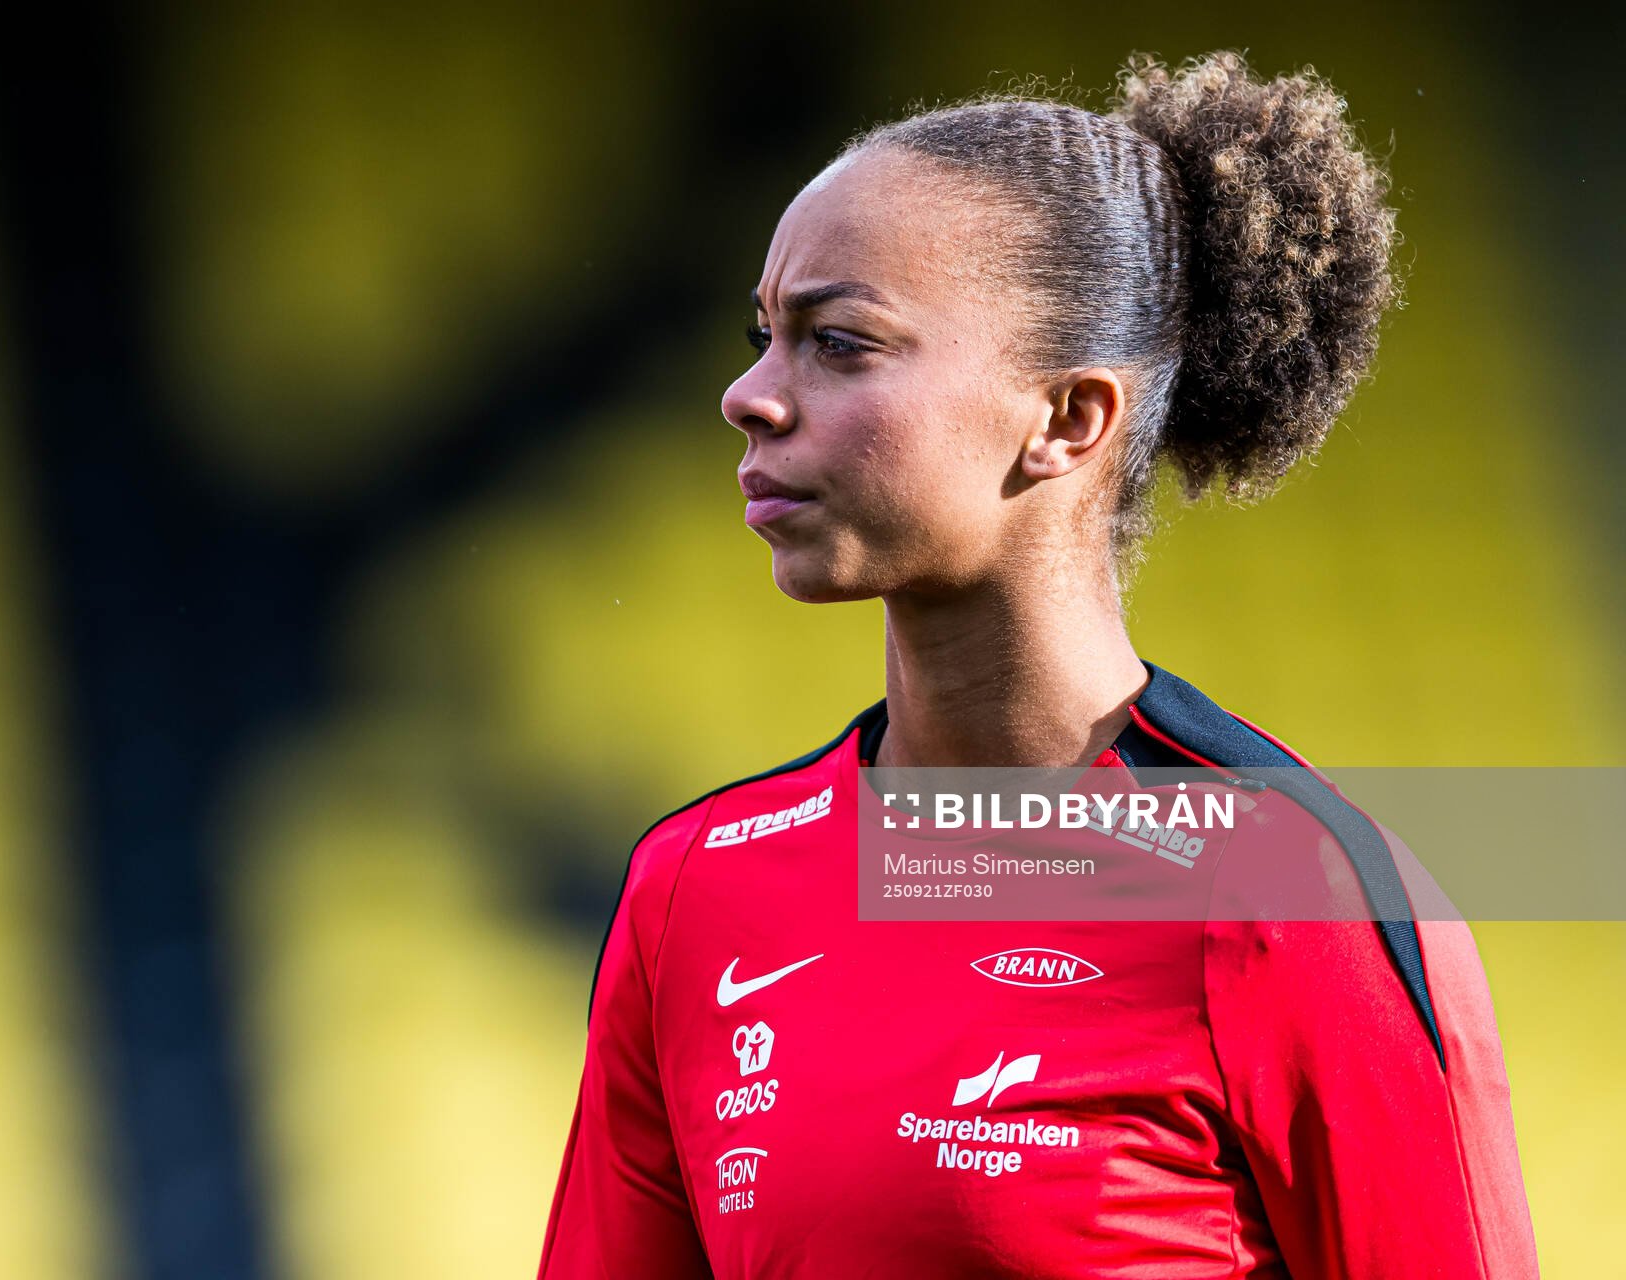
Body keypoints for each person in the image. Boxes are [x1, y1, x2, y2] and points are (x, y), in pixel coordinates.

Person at [538, 50, 1537, 1278]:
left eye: (837, 342)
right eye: (765, 336)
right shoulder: (693, 888)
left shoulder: (1291, 893)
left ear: (1068, 418)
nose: (750, 395)